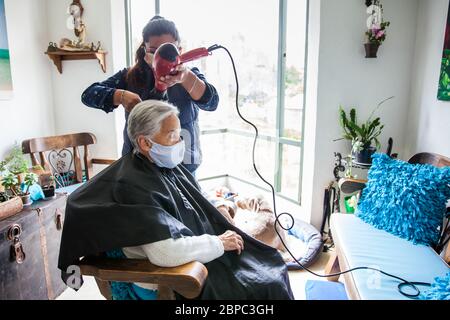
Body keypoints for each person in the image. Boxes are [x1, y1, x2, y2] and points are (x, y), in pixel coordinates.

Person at [58, 100, 294, 300]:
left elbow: (193, 199)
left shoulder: (162, 165)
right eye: (172, 136)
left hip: (195, 256)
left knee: (270, 264)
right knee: (265, 286)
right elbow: (165, 254)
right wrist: (219, 242)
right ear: (145, 142)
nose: (180, 142)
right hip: (170, 275)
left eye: (179, 134)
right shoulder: (133, 186)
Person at [81, 16, 219, 175]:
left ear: (179, 51)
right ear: (144, 51)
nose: (160, 58)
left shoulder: (190, 76)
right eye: (154, 51)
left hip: (183, 166)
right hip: (139, 167)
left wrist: (186, 78)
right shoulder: (129, 76)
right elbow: (88, 95)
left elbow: (212, 103)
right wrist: (120, 96)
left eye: (167, 51)